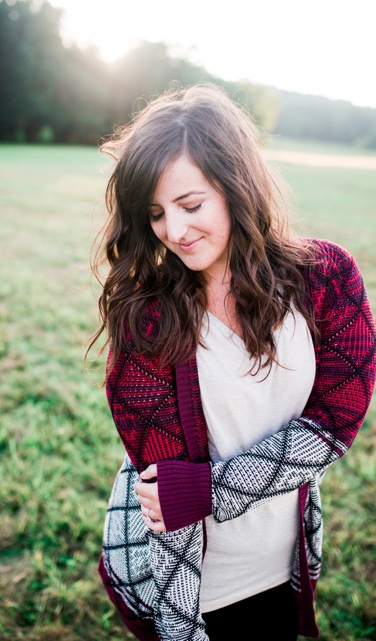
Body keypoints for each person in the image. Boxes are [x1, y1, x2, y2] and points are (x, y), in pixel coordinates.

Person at [91, 83, 375, 641]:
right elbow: (164, 491)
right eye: (155, 214)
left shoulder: (327, 279)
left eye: (191, 205)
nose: (174, 231)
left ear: (237, 185)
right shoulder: (147, 318)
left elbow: (338, 416)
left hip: (281, 561)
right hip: (193, 582)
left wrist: (211, 488)